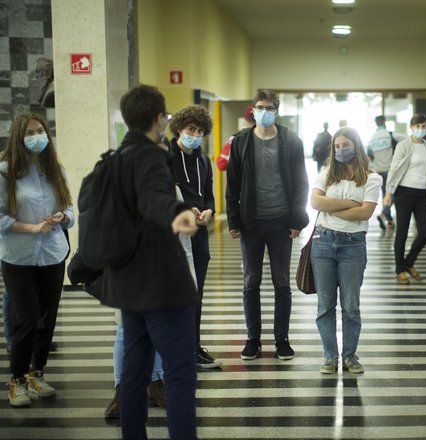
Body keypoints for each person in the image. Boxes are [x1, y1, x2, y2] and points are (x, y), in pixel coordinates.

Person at [100, 85, 200, 440]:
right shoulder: (152, 158)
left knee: (133, 371)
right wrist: (177, 213)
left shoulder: (112, 159)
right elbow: (155, 198)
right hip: (162, 287)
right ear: (159, 119)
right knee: (180, 373)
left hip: (128, 285)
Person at [225, 89, 309, 361]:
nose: (264, 111)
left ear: (277, 110)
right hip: (251, 222)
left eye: (269, 107)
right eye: (260, 107)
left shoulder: (291, 141)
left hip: (281, 222)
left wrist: (297, 220)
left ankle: (282, 339)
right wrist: (233, 220)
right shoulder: (241, 142)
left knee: (281, 282)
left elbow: (300, 184)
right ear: (252, 109)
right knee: (251, 282)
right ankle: (253, 339)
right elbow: (233, 184)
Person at [0, 112, 74, 407]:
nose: (37, 136)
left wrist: (62, 216)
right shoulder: (5, 172)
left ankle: (37, 373)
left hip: (53, 254)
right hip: (18, 257)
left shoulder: (56, 169)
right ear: (19, 137)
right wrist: (31, 227)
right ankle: (16, 380)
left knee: (47, 319)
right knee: (27, 319)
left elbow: (70, 210)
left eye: (41, 130)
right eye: (31, 132)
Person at [310, 127, 381, 375]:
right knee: (325, 305)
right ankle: (330, 357)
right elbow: (315, 203)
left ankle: (350, 355)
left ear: (357, 146)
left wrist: (331, 208)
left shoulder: (372, 178)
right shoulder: (327, 173)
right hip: (323, 243)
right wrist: (349, 204)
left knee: (351, 306)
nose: (341, 150)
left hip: (353, 245)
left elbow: (365, 212)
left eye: (346, 145)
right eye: (337, 146)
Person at [167, 105, 222, 369]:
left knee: (196, 294)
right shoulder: (164, 158)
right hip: (174, 236)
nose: (196, 135)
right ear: (179, 128)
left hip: (200, 236)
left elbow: (209, 196)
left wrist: (209, 211)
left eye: (200, 131)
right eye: (191, 129)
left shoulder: (203, 161)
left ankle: (193, 346)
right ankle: (173, 348)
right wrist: (184, 209)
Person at [383, 113, 426, 285]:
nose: (421, 129)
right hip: (404, 193)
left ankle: (408, 263)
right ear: (411, 127)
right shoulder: (403, 145)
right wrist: (388, 192)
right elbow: (394, 168)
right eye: (418, 126)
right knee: (402, 231)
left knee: (425, 232)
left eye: (423, 126)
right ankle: (399, 270)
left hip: (423, 194)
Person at [366, 115, 406, 230]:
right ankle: (384, 213)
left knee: (386, 194)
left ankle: (388, 219)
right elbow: (406, 138)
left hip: (378, 171)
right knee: (392, 193)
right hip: (390, 170)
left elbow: (369, 157)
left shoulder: (372, 138)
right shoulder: (390, 134)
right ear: (384, 122)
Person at [216, 105, 256, 172]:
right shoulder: (267, 139)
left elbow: (221, 164)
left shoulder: (234, 139)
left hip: (240, 181)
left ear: (245, 120)